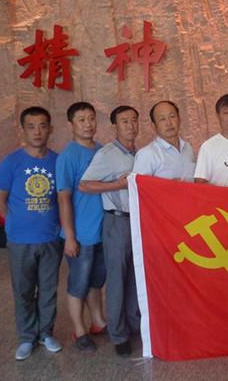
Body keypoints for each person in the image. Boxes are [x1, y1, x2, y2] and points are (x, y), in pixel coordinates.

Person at [0, 107, 63, 360]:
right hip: (20, 241)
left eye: (43, 125)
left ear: (50, 129)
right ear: (23, 130)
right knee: (23, 291)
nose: (37, 131)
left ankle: (45, 333)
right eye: (31, 126)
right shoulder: (10, 163)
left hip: (50, 238)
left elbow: (64, 199)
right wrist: (16, 224)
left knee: (48, 290)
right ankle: (26, 337)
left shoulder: (58, 161)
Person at [79, 106, 140, 357]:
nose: (130, 126)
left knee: (135, 276)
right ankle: (118, 334)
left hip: (138, 221)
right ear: (115, 126)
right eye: (124, 121)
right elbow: (84, 185)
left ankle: (134, 324)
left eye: (134, 120)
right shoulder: (107, 154)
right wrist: (117, 184)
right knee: (117, 279)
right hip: (116, 221)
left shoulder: (140, 153)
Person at [56, 102, 107, 352]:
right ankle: (79, 330)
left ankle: (98, 321)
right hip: (81, 235)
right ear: (71, 124)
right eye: (81, 120)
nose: (88, 124)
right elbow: (63, 198)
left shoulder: (102, 151)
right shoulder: (68, 156)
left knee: (96, 281)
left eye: (91, 119)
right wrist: (70, 237)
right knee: (78, 283)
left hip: (101, 231)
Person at [133, 100, 196, 180]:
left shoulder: (188, 147)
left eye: (172, 116)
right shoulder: (147, 154)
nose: (168, 123)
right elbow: (138, 186)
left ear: (179, 119)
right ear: (153, 126)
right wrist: (168, 185)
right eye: (162, 119)